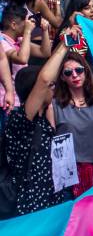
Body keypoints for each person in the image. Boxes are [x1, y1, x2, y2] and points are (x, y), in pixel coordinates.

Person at [4, 64, 64, 215]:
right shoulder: (19, 119)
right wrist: (65, 44)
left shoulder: (42, 120)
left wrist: (46, 106)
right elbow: (44, 80)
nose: (53, 88)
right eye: (51, 85)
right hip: (28, 202)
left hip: (48, 197)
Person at [52, 49, 93, 196]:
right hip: (65, 175)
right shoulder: (54, 105)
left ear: (86, 72)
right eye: (68, 72)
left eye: (79, 70)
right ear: (62, 77)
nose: (75, 75)